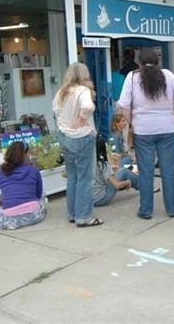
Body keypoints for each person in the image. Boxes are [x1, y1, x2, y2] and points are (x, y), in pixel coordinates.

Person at [118, 48, 174, 220]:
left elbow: (124, 106)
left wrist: (131, 124)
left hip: (143, 130)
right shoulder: (168, 75)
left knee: (145, 172)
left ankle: (146, 210)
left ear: (139, 63)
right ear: (158, 61)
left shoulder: (132, 77)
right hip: (167, 129)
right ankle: (171, 208)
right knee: (168, 170)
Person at [52, 62, 102, 227]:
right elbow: (88, 106)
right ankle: (84, 216)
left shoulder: (61, 92)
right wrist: (81, 119)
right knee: (85, 179)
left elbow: (55, 112)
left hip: (65, 137)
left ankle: (72, 213)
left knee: (72, 177)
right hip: (82, 137)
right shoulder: (83, 90)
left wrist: (64, 125)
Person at [0, 141, 47, 230]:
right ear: (25, 155)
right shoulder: (33, 170)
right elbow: (38, 195)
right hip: (35, 216)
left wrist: (0, 201)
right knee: (42, 193)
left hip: (9, 220)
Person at [92, 136, 140, 206]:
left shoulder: (87, 163)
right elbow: (117, 185)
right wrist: (128, 182)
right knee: (124, 170)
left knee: (123, 168)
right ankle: (144, 186)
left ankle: (139, 177)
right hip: (102, 198)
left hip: (89, 198)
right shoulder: (102, 165)